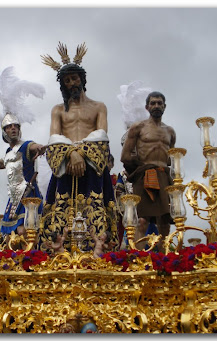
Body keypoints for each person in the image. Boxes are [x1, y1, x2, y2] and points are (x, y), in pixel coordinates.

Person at [40, 42, 118, 252]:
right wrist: (71, 154)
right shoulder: (57, 110)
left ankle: (100, 250)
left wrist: (81, 153)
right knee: (60, 212)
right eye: (66, 81)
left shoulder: (99, 107)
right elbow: (54, 137)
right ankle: (58, 251)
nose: (71, 83)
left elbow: (102, 137)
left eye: (74, 78)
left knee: (97, 211)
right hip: (66, 166)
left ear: (82, 79)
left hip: (92, 167)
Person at [120, 91, 176, 252]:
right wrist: (142, 169)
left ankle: (164, 259)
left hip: (164, 176)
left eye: (159, 103)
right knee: (142, 220)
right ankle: (137, 258)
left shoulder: (170, 132)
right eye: (153, 103)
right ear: (147, 106)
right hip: (144, 175)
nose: (156, 106)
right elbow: (125, 155)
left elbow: (171, 158)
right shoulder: (138, 127)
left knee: (164, 222)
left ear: (164, 106)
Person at [0, 113, 46, 242]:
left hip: (28, 195)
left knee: (24, 231)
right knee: (8, 238)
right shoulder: (8, 152)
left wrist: (40, 148)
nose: (13, 129)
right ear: (4, 131)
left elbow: (35, 146)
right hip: (13, 197)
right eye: (9, 127)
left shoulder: (26, 145)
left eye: (15, 126)